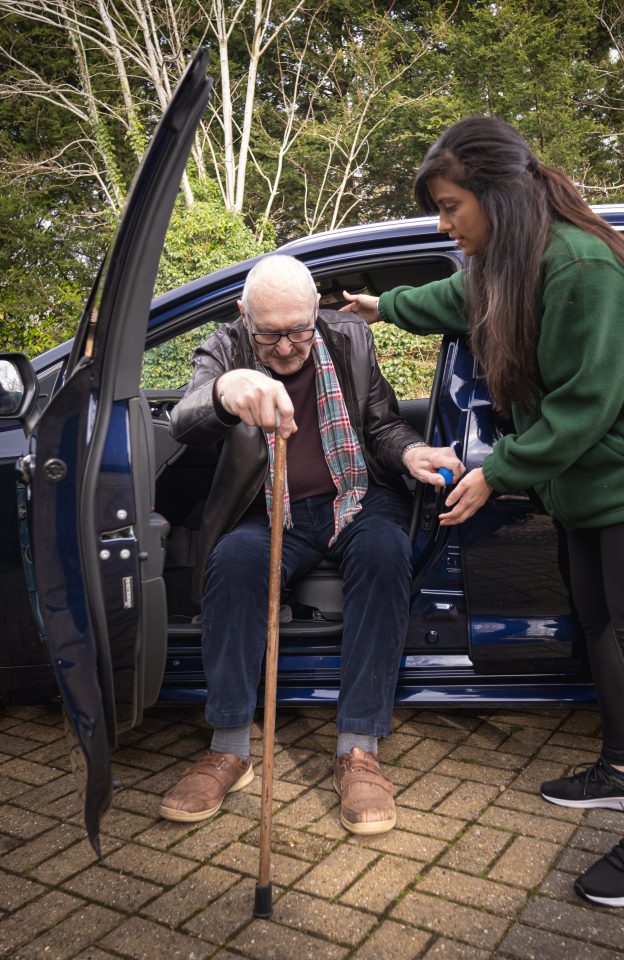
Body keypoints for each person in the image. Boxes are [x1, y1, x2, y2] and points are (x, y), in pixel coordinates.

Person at [342, 116, 624, 905]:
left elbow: (587, 404)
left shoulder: (585, 268)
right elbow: (455, 296)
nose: (443, 224)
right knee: (598, 616)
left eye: (449, 207)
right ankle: (621, 768)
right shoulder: (508, 258)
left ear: (497, 195)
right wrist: (385, 306)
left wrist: (495, 470)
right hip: (587, 474)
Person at [161, 254, 463, 835]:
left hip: (356, 494)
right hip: (273, 506)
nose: (285, 345)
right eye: (269, 333)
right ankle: (228, 746)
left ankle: (358, 748)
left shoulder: (348, 336)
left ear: (315, 313)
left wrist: (408, 452)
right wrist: (228, 389)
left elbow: (380, 423)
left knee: (385, 552)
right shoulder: (224, 348)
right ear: (243, 316)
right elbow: (185, 419)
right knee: (233, 560)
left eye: (298, 329)